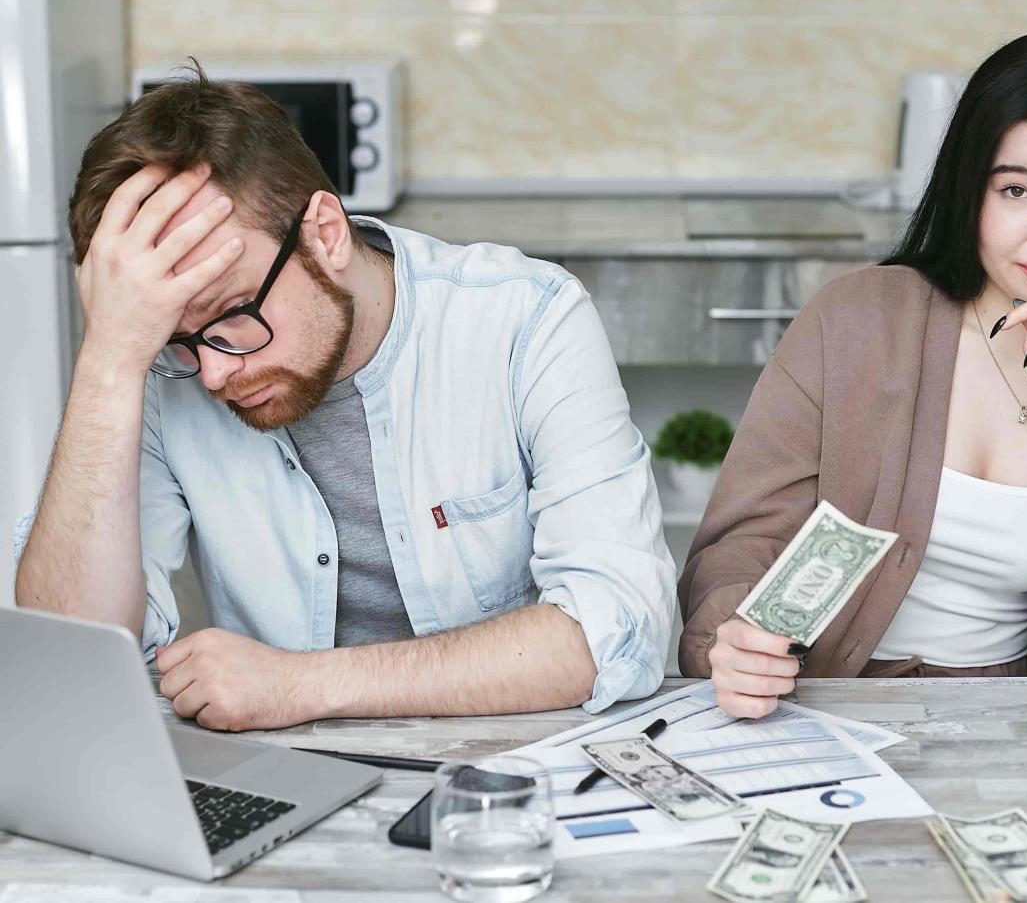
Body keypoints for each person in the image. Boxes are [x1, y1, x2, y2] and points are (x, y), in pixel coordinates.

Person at [14, 67, 675, 730]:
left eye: (232, 316)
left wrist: (304, 685)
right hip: (288, 781)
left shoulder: (524, 319)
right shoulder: (162, 371)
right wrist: (110, 355)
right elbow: (74, 661)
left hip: (511, 779)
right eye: (180, 340)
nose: (212, 373)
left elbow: (617, 626)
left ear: (324, 235)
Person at [678, 27, 1027, 718]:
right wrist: (736, 635)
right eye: (1016, 191)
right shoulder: (856, 320)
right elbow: (740, 546)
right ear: (970, 194)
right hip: (822, 713)